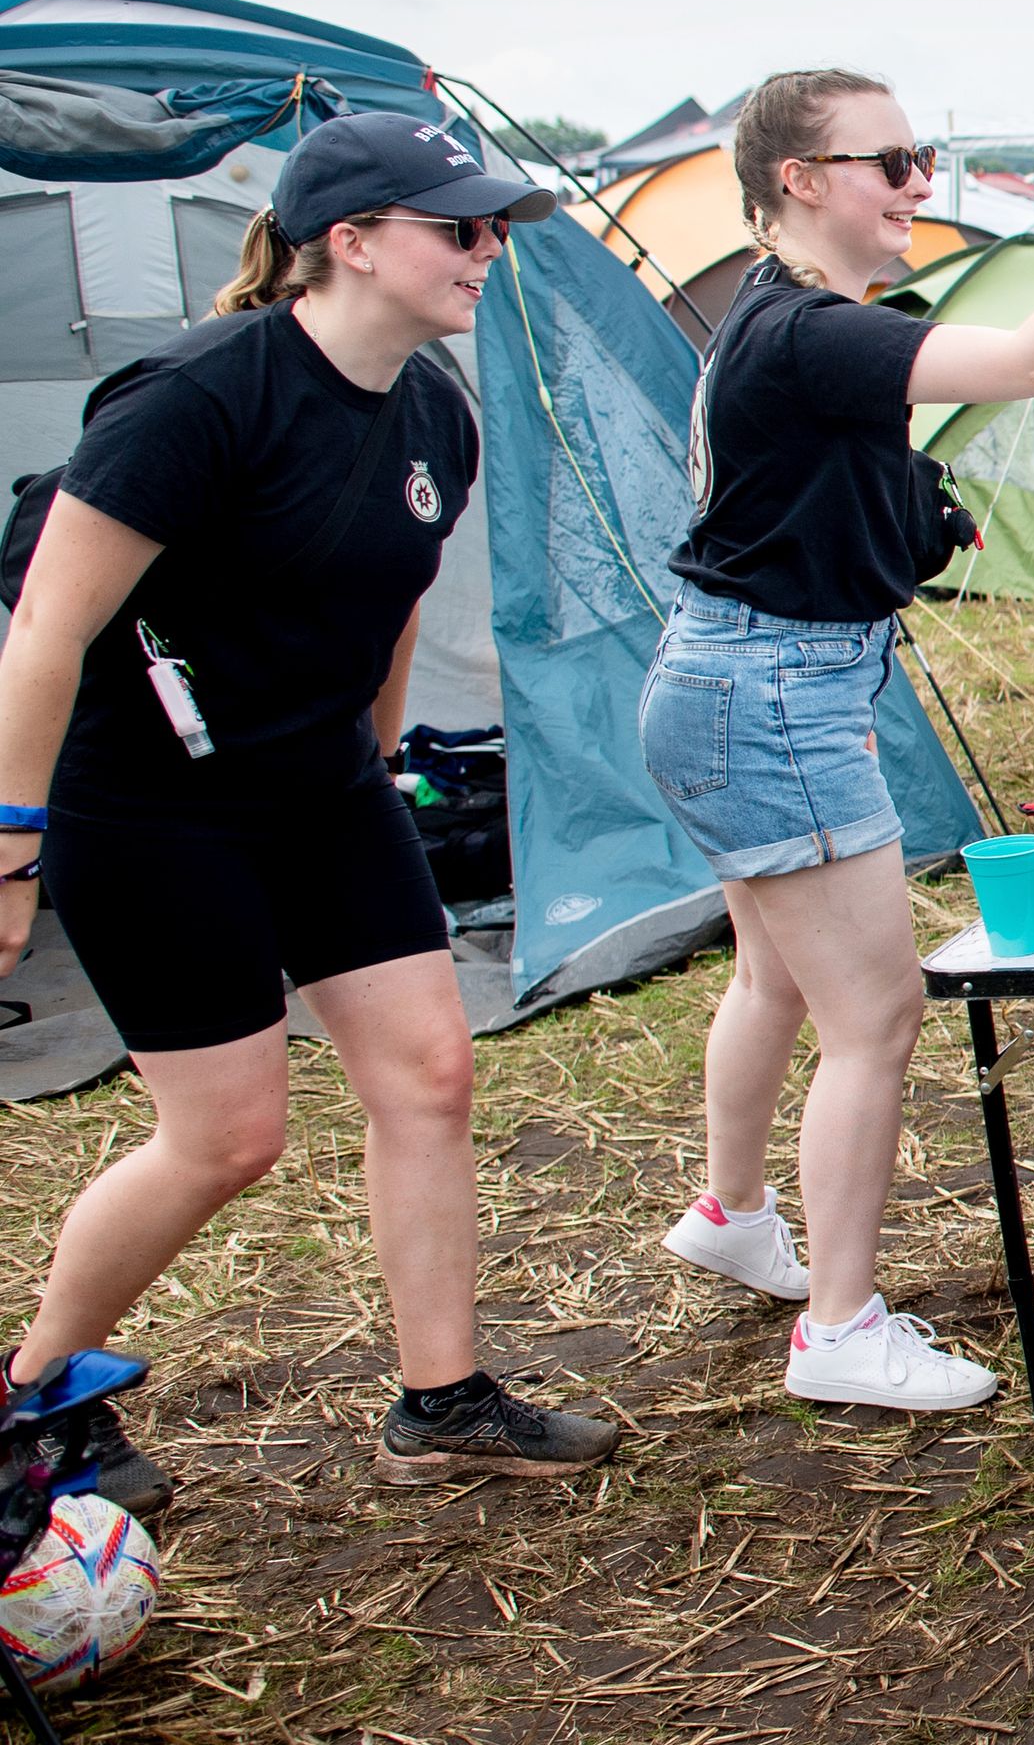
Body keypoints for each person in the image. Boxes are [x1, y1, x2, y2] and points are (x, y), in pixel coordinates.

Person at [0, 114, 620, 1506]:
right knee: (226, 1139)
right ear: (349, 242)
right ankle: (30, 1390)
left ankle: (441, 1395)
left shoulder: (431, 406)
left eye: (494, 225)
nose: (488, 247)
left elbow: (387, 601)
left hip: (318, 784)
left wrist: (372, 769)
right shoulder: (201, 398)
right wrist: (9, 842)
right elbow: (44, 627)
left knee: (431, 1073)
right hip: (150, 801)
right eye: (458, 226)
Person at [648, 64, 1034, 1413]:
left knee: (774, 978)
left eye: (923, 156)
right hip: (772, 693)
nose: (914, 184)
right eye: (888, 160)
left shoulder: (776, 319)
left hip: (727, 676)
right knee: (878, 1014)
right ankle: (839, 1324)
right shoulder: (804, 331)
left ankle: (729, 1213)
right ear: (800, 180)